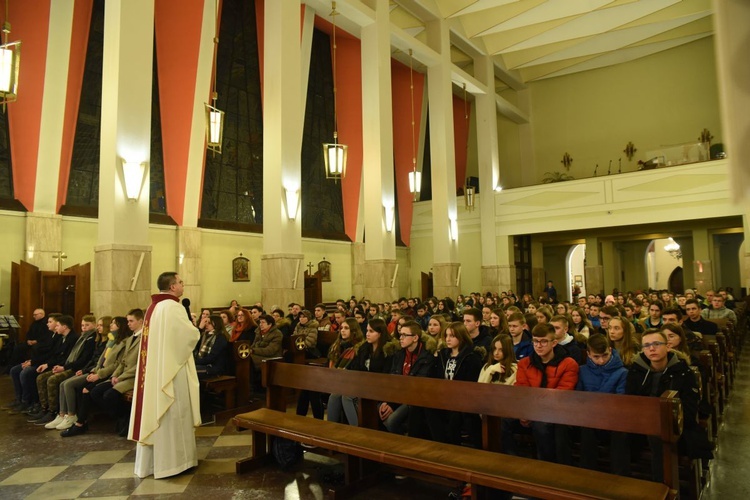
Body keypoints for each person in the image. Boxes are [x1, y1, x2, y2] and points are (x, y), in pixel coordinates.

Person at [130, 272, 201, 479]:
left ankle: (150, 465)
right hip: (172, 371)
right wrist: (195, 329)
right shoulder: (173, 307)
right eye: (180, 282)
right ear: (172, 287)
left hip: (156, 369)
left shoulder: (154, 307)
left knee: (157, 412)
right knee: (174, 413)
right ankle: (174, 463)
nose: (182, 285)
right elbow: (188, 336)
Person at [626, 329, 708, 482]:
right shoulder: (636, 370)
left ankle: (664, 488)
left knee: (659, 436)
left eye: (656, 344)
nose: (651, 348)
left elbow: (689, 410)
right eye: (647, 345)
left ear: (668, 347)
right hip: (642, 422)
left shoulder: (683, 372)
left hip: (675, 425)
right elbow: (631, 400)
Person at [501, 323, 579, 464]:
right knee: (502, 419)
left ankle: (545, 466)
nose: (539, 345)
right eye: (535, 341)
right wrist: (525, 413)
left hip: (556, 412)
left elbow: (562, 394)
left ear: (554, 343)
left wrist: (534, 412)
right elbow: (522, 391)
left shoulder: (568, 363)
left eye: (543, 341)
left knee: (541, 425)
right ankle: (511, 461)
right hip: (531, 410)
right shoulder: (525, 363)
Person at [577, 334, 629, 475]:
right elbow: (579, 397)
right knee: (587, 430)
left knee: (620, 433)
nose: (601, 360)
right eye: (596, 357)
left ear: (610, 350)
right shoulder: (582, 371)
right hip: (590, 417)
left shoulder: (622, 372)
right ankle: (587, 474)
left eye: (605, 355)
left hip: (612, 418)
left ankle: (620, 476)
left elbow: (621, 399)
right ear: (588, 355)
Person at [379, 321, 436, 436]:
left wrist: (393, 404)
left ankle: (405, 442)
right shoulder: (399, 354)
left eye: (405, 335)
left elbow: (417, 385)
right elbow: (393, 378)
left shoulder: (426, 357)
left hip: (414, 399)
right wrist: (387, 401)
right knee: (377, 410)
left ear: (415, 338)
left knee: (391, 421)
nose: (400, 338)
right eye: (400, 334)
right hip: (398, 395)